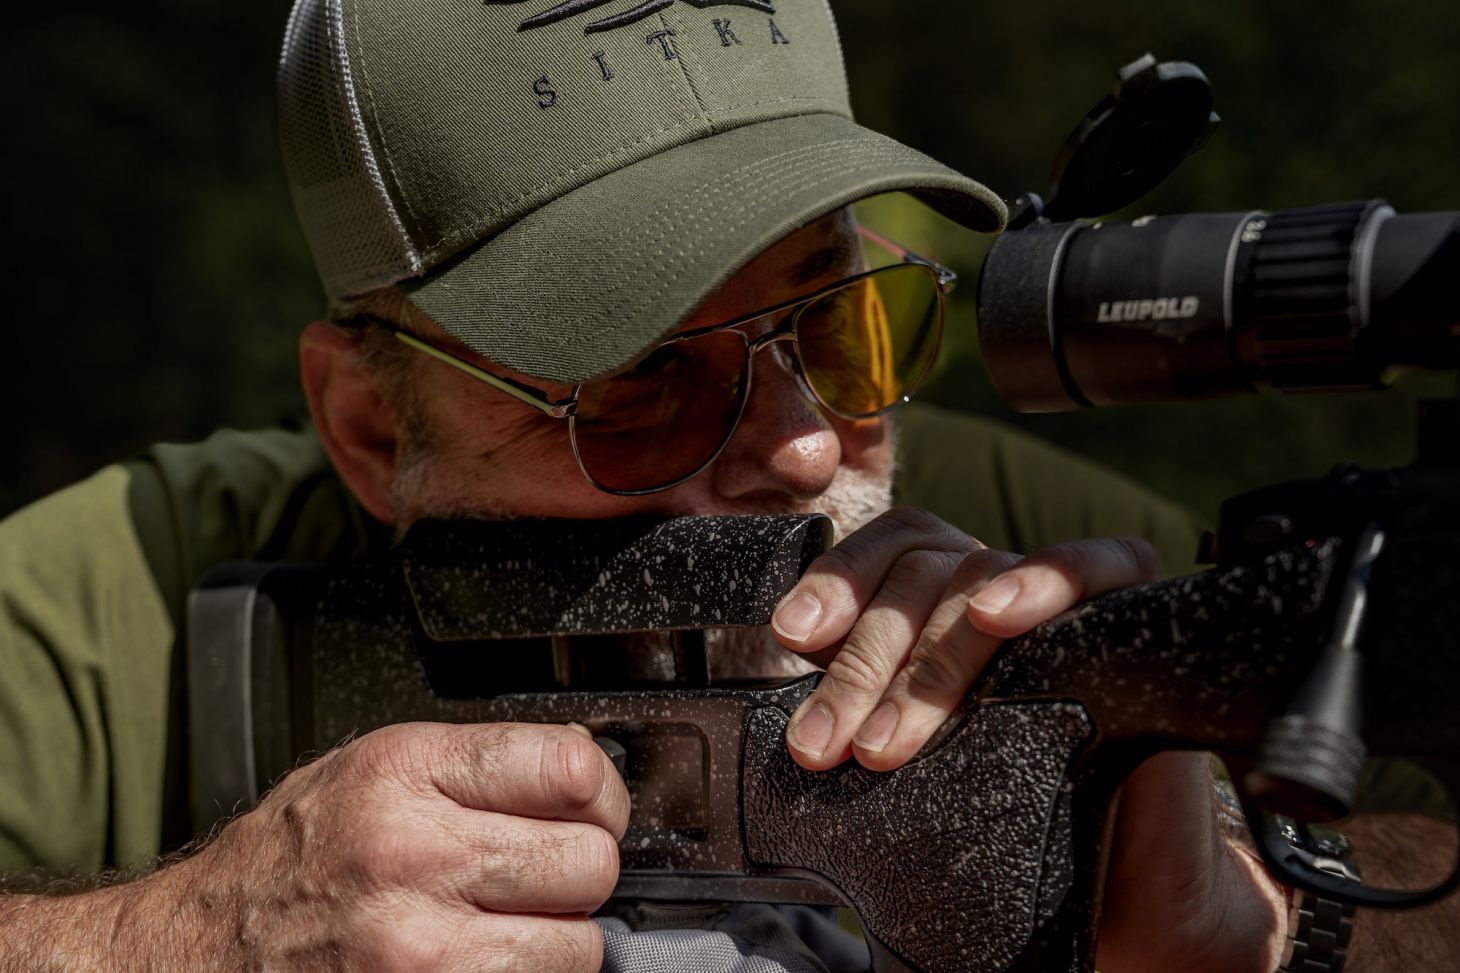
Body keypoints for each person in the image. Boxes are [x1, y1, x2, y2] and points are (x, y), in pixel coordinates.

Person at [2, 1, 1435, 970]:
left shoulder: (1044, 558)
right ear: (371, 429)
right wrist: (185, 931)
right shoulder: (128, 595)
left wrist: (1273, 911)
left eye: (841, 323)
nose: (809, 446)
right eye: (639, 381)